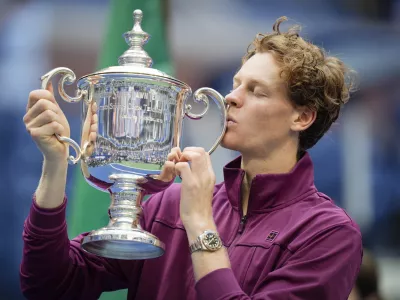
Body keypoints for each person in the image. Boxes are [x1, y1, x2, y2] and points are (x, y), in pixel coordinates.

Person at [20, 17, 362, 300]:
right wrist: (55, 163)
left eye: (256, 91)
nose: (231, 98)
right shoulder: (165, 206)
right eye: (235, 84)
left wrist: (199, 221)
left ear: (302, 118)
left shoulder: (327, 234)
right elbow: (49, 285)